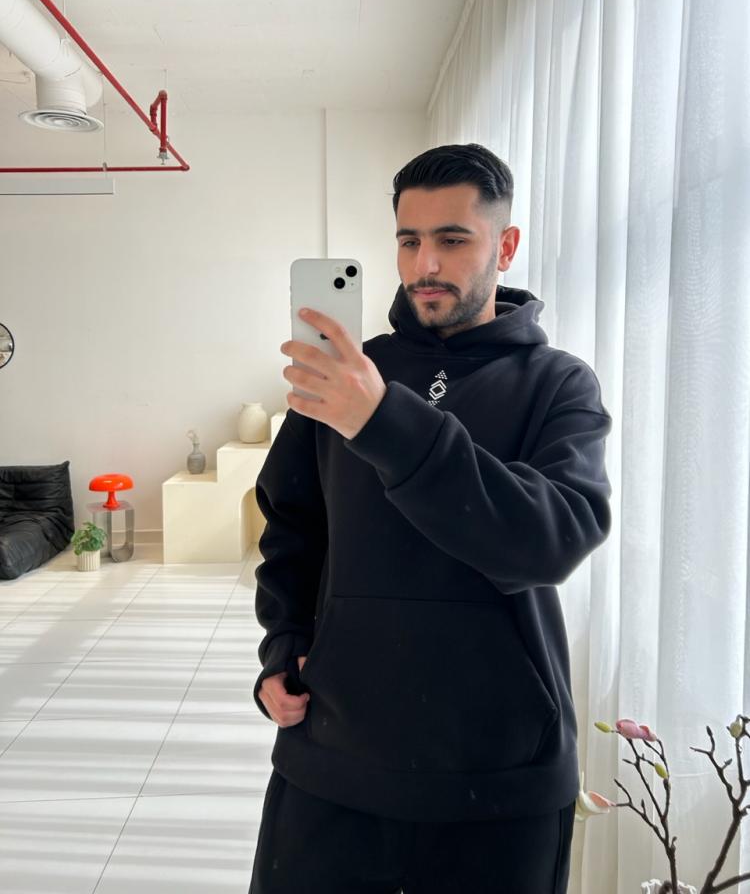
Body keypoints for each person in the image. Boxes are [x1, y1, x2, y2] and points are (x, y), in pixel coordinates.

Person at [249, 143, 613, 894]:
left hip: (500, 775)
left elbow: (549, 541)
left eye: (453, 238)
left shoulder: (558, 384)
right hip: (334, 757)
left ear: (504, 246)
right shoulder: (350, 376)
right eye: (409, 241)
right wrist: (284, 644)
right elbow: (293, 526)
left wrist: (384, 421)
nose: (426, 265)